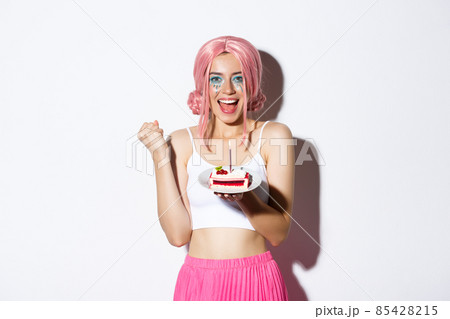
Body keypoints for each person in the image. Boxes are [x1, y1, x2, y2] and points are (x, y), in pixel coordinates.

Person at [138, 35, 295, 301]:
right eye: (215, 79)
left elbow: (279, 233)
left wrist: (244, 198)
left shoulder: (274, 136)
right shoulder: (181, 141)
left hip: (256, 280)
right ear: (203, 85)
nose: (228, 90)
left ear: (252, 84)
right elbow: (178, 236)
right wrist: (160, 157)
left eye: (239, 78)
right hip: (199, 283)